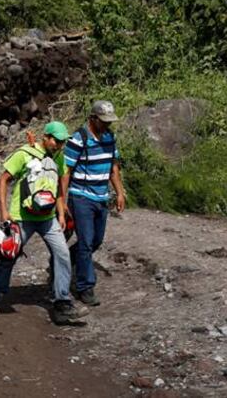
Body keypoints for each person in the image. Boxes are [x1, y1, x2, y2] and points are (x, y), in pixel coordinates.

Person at [0, 121, 87, 325]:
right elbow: (3, 180)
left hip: (47, 218)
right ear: (46, 137)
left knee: (62, 254)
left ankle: (62, 303)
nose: (59, 145)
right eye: (56, 141)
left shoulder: (58, 157)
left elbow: (57, 184)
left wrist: (60, 212)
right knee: (8, 255)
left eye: (62, 142)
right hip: (22, 217)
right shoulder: (24, 153)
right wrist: (4, 211)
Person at [63, 100, 127, 307]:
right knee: (86, 242)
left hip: (101, 197)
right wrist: (62, 202)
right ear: (93, 119)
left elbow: (113, 168)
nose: (107, 125)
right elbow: (66, 172)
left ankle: (64, 260)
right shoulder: (78, 139)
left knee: (96, 241)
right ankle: (84, 287)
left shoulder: (109, 138)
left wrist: (119, 193)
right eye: (103, 121)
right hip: (81, 197)